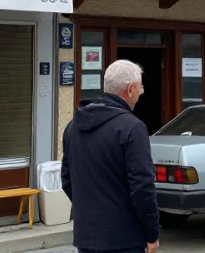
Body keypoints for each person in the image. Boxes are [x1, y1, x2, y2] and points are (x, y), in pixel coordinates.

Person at [61, 60, 160, 253]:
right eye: (140, 89)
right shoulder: (132, 127)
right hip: (124, 239)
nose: (140, 95)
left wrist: (89, 209)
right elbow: (142, 187)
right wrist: (152, 234)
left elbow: (66, 179)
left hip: (86, 236)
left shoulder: (73, 126)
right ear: (130, 89)